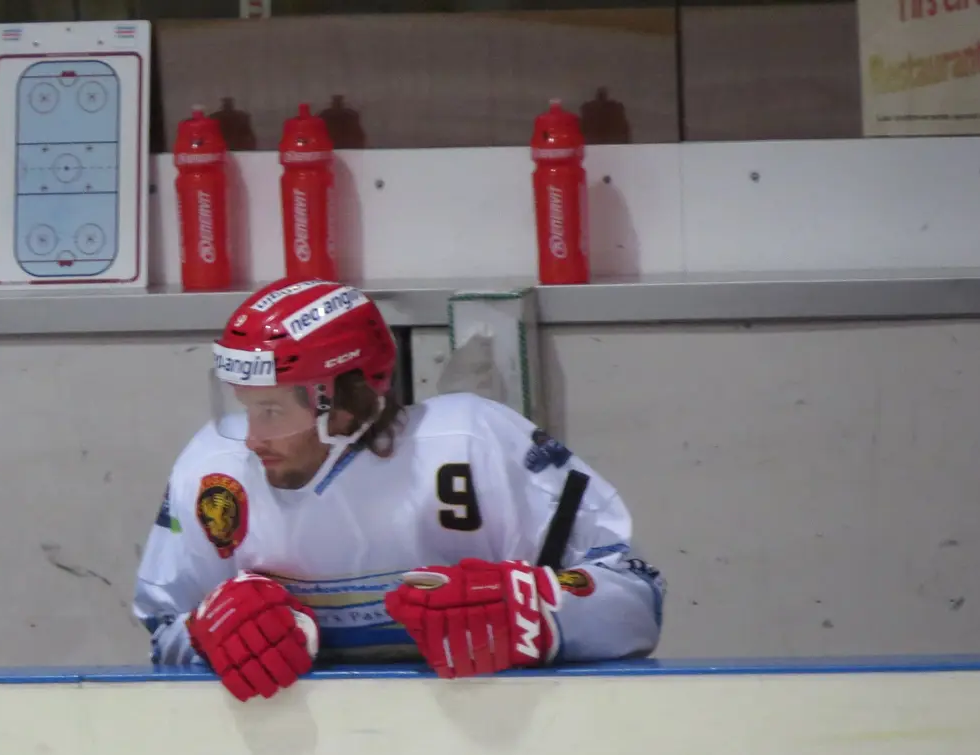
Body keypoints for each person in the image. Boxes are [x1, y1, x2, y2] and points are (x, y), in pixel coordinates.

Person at [133, 277, 666, 701]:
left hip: (493, 751)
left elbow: (637, 599)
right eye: (244, 406)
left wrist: (539, 611)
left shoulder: (475, 445)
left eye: (272, 410)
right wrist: (206, 635)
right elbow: (163, 632)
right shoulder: (213, 473)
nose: (251, 439)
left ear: (351, 400)